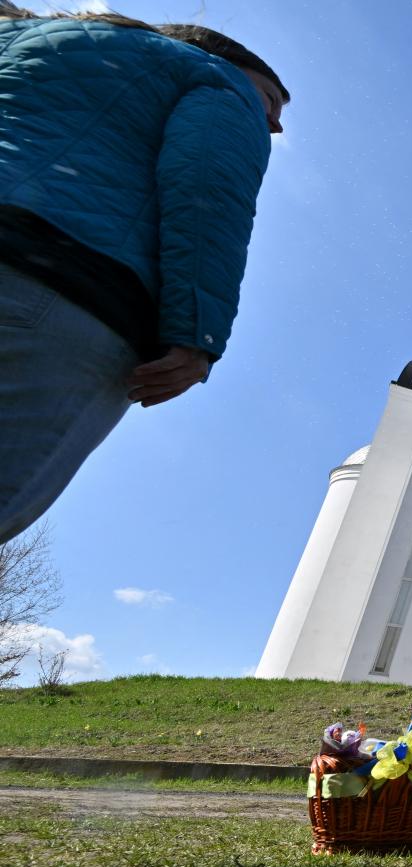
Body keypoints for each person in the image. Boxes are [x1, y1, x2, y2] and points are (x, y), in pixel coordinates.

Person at [0, 9, 287, 544]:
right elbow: (207, 191)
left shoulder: (21, 37)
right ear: (223, 59)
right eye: (269, 100)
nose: (272, 123)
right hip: (64, 287)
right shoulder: (214, 79)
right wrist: (196, 336)